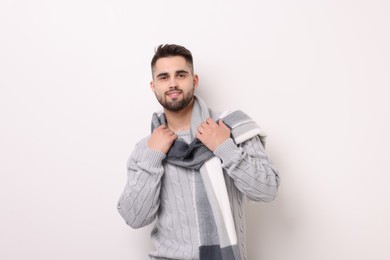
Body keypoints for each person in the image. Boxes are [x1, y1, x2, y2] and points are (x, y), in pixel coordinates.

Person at [117, 44, 280, 260]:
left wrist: (225, 148)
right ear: (153, 86)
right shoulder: (146, 149)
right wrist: (153, 157)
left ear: (194, 81)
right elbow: (134, 217)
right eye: (164, 77)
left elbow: (267, 190)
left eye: (181, 75)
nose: (173, 83)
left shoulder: (230, 129)